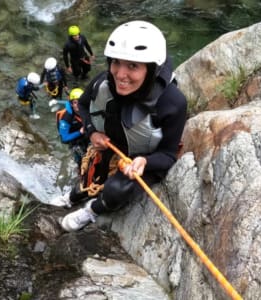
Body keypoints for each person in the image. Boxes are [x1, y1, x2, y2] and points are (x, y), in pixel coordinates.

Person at [60, 20, 187, 232]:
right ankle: (71, 198)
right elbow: (83, 104)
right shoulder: (104, 82)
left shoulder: (172, 103)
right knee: (90, 173)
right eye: (116, 62)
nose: (120, 74)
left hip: (141, 159)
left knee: (117, 190)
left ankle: (92, 210)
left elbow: (168, 154)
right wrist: (92, 133)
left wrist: (145, 161)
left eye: (133, 66)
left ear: (152, 69)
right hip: (108, 144)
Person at [56, 87, 88, 168]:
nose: (78, 105)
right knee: (81, 158)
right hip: (74, 140)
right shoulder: (66, 117)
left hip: (84, 134)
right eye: (75, 103)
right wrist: (79, 132)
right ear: (71, 104)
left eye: (80, 102)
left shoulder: (86, 109)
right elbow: (64, 138)